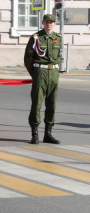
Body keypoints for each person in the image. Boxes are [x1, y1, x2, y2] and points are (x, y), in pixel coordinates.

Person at [24, 14, 62, 145]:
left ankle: (48, 133)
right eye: (47, 22)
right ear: (43, 22)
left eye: (51, 22)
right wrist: (34, 73)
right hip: (40, 71)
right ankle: (35, 133)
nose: (49, 24)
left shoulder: (58, 38)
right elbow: (27, 59)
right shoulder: (36, 37)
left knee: (52, 103)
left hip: (54, 72)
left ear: (55, 24)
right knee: (37, 103)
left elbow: (59, 56)